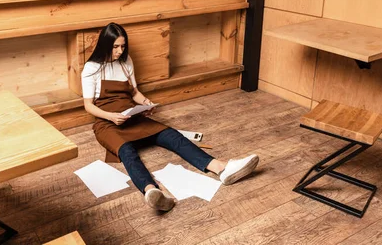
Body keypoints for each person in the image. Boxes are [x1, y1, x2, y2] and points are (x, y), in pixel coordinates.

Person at [81, 22, 259, 212]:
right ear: (105, 45)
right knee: (127, 152)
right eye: (115, 46)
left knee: (172, 136)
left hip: (130, 116)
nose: (119, 51)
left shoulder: (126, 62)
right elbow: (88, 105)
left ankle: (221, 168)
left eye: (123, 46)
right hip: (107, 123)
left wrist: (146, 104)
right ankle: (152, 191)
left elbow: (134, 93)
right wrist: (111, 116)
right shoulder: (91, 68)